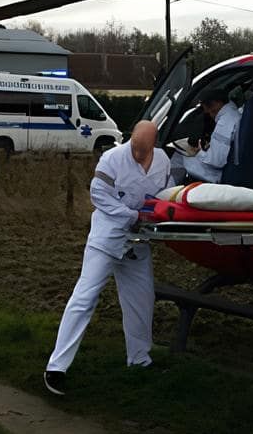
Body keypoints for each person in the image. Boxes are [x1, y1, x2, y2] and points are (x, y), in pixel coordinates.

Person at [44, 120, 170, 396]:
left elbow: (164, 193)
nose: (139, 155)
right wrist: (133, 215)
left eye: (144, 150)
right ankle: (56, 367)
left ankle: (139, 359)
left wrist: (163, 213)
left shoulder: (163, 161)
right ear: (130, 140)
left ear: (154, 145)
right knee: (84, 298)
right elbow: (98, 195)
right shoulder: (111, 159)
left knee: (141, 300)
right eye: (136, 148)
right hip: (107, 240)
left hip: (138, 243)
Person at [176, 88, 241, 183]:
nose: (211, 116)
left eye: (211, 112)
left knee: (178, 157)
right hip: (232, 165)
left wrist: (199, 152)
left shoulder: (225, 122)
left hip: (220, 175)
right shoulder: (234, 113)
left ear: (215, 104)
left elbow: (216, 161)